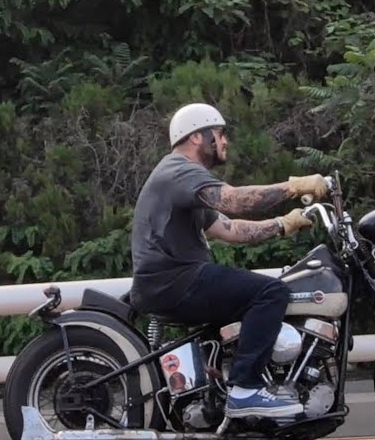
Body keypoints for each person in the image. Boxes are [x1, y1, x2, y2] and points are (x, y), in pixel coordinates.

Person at [127, 102, 329, 420]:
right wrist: (294, 187)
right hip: (176, 280)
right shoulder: (180, 171)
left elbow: (229, 229)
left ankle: (225, 388)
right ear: (197, 136)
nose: (225, 141)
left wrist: (284, 224)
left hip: (173, 280)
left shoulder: (184, 181)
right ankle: (246, 390)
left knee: (251, 296)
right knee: (271, 292)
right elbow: (234, 201)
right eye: (220, 133)